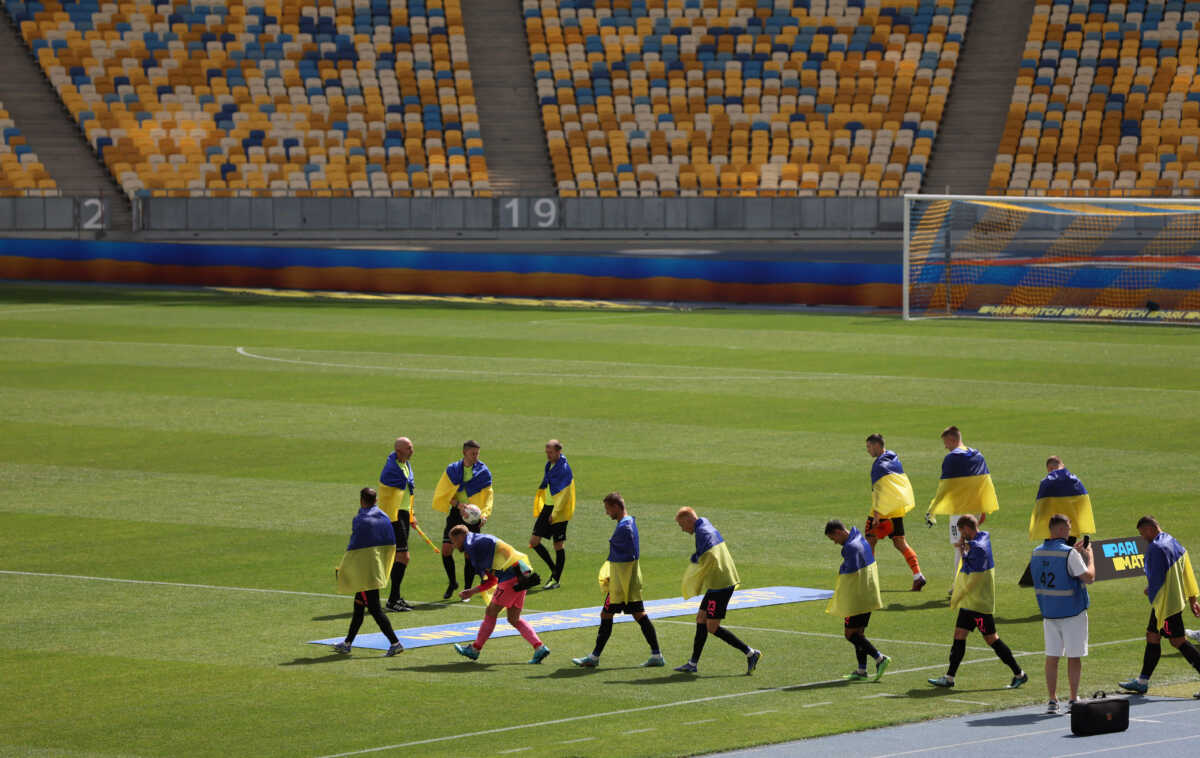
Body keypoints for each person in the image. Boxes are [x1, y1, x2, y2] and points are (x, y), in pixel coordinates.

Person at [928, 515, 1027, 689]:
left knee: (991, 639)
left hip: (979, 605)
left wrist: (957, 596)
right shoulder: (982, 539)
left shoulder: (978, 549)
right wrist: (964, 547)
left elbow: (972, 575)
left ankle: (1019, 674)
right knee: (959, 635)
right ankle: (949, 677)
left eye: (961, 531)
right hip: (970, 603)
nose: (961, 534)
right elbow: (968, 557)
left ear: (967, 528)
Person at [571, 492, 664, 668]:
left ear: (616, 507)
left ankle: (594, 657)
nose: (607, 513)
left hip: (621, 583)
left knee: (606, 614)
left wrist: (614, 575)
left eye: (608, 509)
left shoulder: (624, 526)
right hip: (629, 580)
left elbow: (627, 551)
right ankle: (656, 654)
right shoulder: (629, 522)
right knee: (639, 615)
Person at [672, 507, 761, 675]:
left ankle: (751, 653)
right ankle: (692, 663)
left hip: (721, 584)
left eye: (682, 525)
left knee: (712, 627)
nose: (682, 529)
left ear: (688, 520)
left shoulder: (703, 532)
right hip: (717, 583)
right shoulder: (703, 523)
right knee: (701, 618)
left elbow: (709, 547)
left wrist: (697, 558)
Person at [1118, 516, 1200, 695]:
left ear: (1150, 529)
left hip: (1166, 604)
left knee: (1178, 641)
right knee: (1152, 636)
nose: (1143, 538)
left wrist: (1151, 590)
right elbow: (1187, 570)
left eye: (1142, 533)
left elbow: (1156, 577)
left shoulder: (1156, 547)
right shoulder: (1173, 541)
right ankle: (1142, 681)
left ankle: (1142, 681)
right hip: (1170, 601)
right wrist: (1193, 598)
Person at [449, 525, 550, 664]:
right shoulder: (481, 541)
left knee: (491, 611)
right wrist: (472, 591)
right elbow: (492, 579)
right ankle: (540, 647)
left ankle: (475, 649)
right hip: (522, 575)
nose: (454, 546)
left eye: (453, 541)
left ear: (460, 536)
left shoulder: (472, 544)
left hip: (511, 578)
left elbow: (493, 574)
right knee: (514, 618)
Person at [1032, 514, 1095, 714]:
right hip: (1072, 612)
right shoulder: (1069, 554)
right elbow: (1088, 577)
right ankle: (1073, 698)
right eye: (1067, 527)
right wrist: (1089, 556)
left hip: (1049, 612)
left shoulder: (1036, 552)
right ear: (1060, 530)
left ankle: (1052, 699)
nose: (1069, 531)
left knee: (1052, 657)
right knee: (1074, 657)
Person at [331, 487, 404, 657]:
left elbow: (354, 549)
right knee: (358, 607)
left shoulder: (360, 520)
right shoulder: (384, 517)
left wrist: (344, 568)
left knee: (375, 609)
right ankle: (348, 643)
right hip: (375, 567)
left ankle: (395, 642)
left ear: (361, 500)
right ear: (376, 500)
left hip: (365, 572)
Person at [927, 426, 999, 594]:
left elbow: (944, 487)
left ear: (952, 440)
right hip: (974, 509)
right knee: (970, 544)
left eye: (946, 443)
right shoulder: (977, 455)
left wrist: (933, 509)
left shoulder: (952, 459)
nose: (946, 447)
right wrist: (983, 508)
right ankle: (970, 582)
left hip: (959, 511)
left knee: (960, 546)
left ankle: (959, 585)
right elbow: (985, 484)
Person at [825, 519, 890, 681]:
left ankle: (879, 658)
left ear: (838, 532)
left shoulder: (851, 548)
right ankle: (862, 671)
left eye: (833, 538)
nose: (834, 542)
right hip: (868, 594)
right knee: (859, 633)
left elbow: (850, 576)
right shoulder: (859, 538)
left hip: (858, 597)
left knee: (850, 634)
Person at [432, 440, 494, 599]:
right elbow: (445, 493)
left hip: (473, 517)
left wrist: (484, 514)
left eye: (477, 453)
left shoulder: (483, 471)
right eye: (473, 453)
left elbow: (488, 496)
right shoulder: (452, 470)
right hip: (456, 513)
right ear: (464, 453)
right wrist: (459, 505)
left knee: (469, 553)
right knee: (446, 549)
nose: (476, 457)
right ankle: (452, 582)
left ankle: (467, 589)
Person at [864, 433, 926, 591]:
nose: (868, 450)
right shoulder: (893, 458)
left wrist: (877, 514)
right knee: (900, 542)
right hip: (896, 511)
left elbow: (878, 491)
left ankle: (870, 581)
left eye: (869, 447)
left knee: (870, 541)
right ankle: (918, 575)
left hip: (882, 512)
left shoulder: (878, 465)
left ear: (877, 445)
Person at [530, 439, 575, 590]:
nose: (548, 455)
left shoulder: (564, 469)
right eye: (546, 452)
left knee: (558, 544)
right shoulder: (550, 465)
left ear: (558, 452)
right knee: (534, 541)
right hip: (548, 507)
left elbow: (564, 495)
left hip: (559, 511)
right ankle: (554, 570)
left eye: (550, 452)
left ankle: (555, 579)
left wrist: (555, 514)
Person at [378, 436, 416, 611]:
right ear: (399, 451)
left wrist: (411, 513)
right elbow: (387, 493)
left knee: (399, 557)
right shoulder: (391, 469)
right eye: (408, 448)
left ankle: (395, 598)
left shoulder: (406, 465)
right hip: (393, 516)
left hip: (403, 514)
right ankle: (393, 599)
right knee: (403, 556)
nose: (412, 450)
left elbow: (407, 492)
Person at [1028, 457, 1096, 542]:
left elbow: (1040, 509)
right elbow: (1084, 509)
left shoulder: (1046, 483)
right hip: (1070, 530)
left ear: (1049, 468)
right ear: (1062, 465)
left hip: (1052, 531)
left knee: (1054, 554)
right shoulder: (1075, 481)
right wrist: (1086, 533)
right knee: (1068, 553)